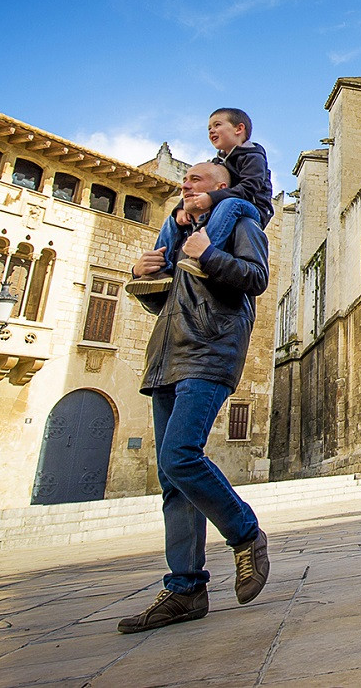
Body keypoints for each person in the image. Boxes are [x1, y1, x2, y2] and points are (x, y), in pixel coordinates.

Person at [119, 161, 270, 634]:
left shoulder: (239, 223)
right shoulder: (182, 236)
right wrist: (145, 274)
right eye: (183, 179)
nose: (185, 184)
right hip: (166, 357)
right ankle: (185, 589)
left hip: (208, 352)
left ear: (220, 187)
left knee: (181, 455)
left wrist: (208, 256)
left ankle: (245, 533)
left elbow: (255, 278)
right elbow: (169, 300)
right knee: (171, 477)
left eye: (196, 179)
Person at [127, 108, 274, 296]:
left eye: (217, 125)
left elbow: (249, 188)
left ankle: (200, 255)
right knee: (172, 219)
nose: (211, 131)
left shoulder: (253, 155)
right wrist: (181, 209)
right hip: (228, 206)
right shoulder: (219, 161)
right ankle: (159, 269)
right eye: (209, 128)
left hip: (253, 209)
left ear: (239, 129)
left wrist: (211, 198)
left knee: (229, 204)